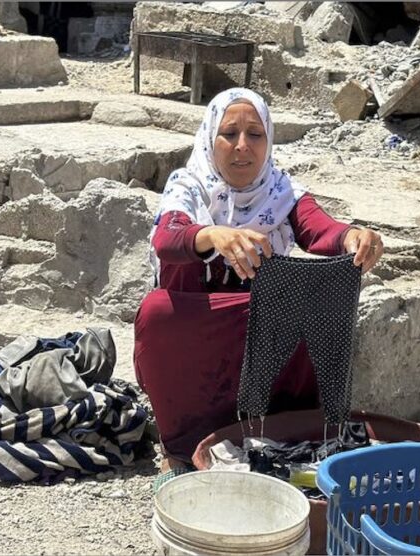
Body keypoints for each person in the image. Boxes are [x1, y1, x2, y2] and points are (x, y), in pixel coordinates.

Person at [133, 88, 384, 490]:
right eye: (229, 133)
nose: (242, 147)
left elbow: (319, 229)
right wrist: (212, 235)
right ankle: (181, 450)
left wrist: (353, 237)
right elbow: (167, 237)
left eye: (255, 134)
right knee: (158, 313)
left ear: (268, 140)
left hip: (261, 325)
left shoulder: (280, 189)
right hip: (201, 331)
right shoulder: (189, 186)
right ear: (209, 138)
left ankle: (279, 430)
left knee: (312, 303)